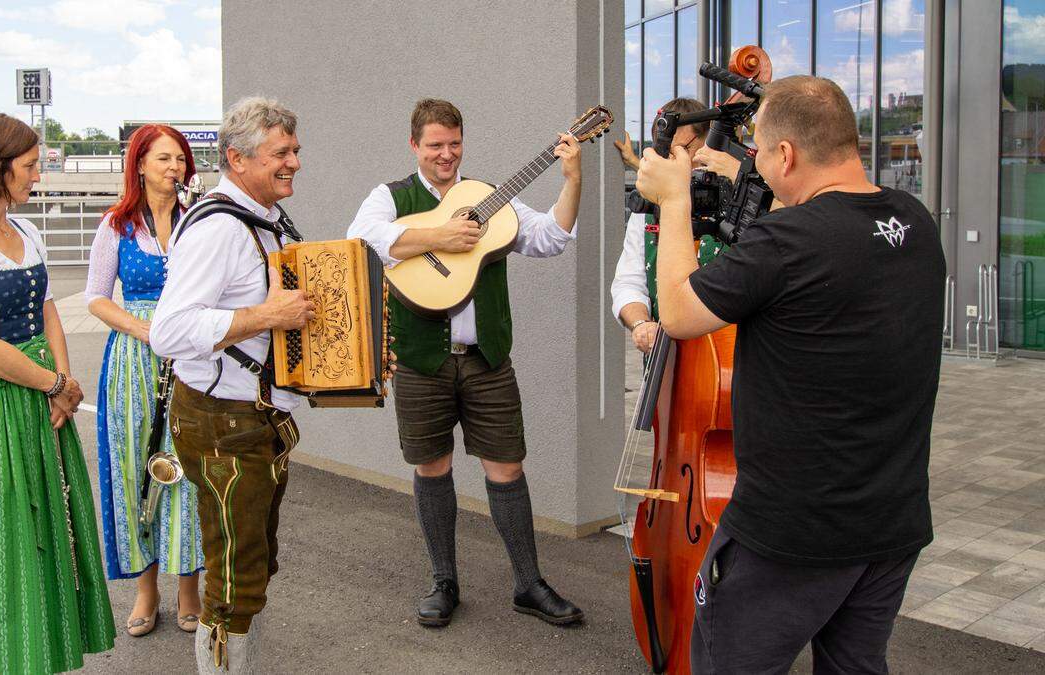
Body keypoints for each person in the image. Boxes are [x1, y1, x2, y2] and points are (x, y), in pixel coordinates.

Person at [634, 76, 945, 673]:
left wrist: (674, 202)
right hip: (892, 522)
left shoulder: (787, 242)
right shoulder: (913, 220)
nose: (754, 162)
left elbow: (676, 312)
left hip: (792, 533)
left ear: (788, 155)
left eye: (760, 153)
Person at [347, 98, 584, 628]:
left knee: (507, 468)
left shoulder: (487, 197)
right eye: (435, 145)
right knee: (432, 467)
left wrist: (571, 182)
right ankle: (444, 580)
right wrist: (437, 236)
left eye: (454, 144)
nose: (446, 155)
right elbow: (359, 239)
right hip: (420, 360)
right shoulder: (391, 197)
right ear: (414, 145)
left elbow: (549, 239)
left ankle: (528, 583)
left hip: (487, 359)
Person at [0, 113, 115, 674]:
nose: (38, 176)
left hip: (39, 393)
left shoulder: (26, 232)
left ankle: (41, 649)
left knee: (46, 525)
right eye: (30, 167)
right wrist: (57, 384)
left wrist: (62, 380)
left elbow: (48, 308)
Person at [150, 97, 314, 674]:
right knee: (232, 580)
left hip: (252, 419)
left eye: (295, 150)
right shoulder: (219, 228)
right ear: (236, 159)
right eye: (281, 153)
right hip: (223, 421)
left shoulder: (264, 218)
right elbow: (167, 331)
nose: (294, 161)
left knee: (251, 567)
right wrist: (266, 317)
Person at [84, 124, 203, 637]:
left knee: (189, 469)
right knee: (137, 469)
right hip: (134, 361)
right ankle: (146, 589)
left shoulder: (198, 221)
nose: (174, 167)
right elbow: (95, 296)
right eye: (163, 159)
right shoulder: (117, 224)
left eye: (180, 158)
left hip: (192, 360)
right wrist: (144, 329)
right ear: (139, 165)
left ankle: (190, 589)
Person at [610, 97, 740, 354]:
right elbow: (628, 281)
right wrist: (640, 324)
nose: (671, 162)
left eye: (679, 150)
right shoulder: (650, 203)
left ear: (708, 141)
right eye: (664, 153)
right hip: (669, 361)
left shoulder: (737, 201)